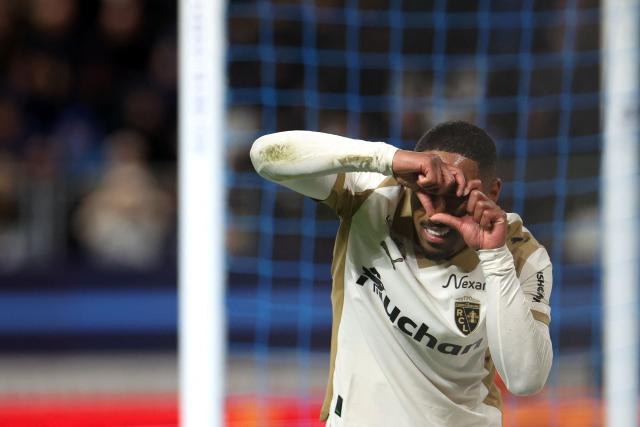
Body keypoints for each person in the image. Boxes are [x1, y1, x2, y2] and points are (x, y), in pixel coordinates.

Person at [250, 121, 552, 427]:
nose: (437, 214)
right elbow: (264, 156)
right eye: (430, 191)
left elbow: (525, 380)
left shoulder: (517, 252)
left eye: (458, 199)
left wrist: (494, 256)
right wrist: (389, 159)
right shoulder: (370, 194)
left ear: (493, 192)